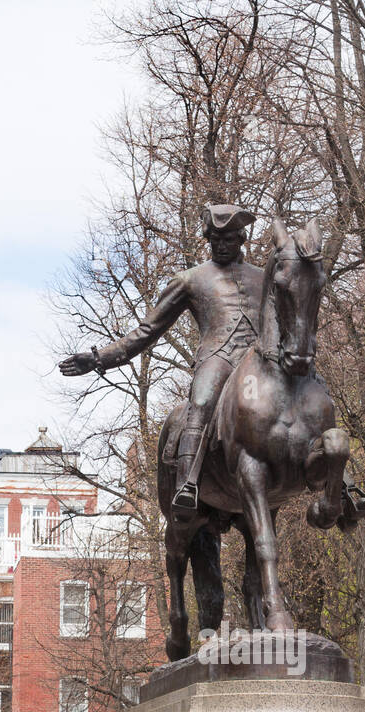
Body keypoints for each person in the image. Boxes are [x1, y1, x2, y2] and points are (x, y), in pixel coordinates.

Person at [60, 204, 263, 519]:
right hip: (218, 357)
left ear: (241, 239)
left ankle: (340, 483)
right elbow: (147, 331)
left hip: (259, 361)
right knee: (202, 400)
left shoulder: (264, 278)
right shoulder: (190, 280)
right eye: (216, 240)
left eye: (230, 240)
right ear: (208, 240)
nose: (222, 246)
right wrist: (100, 358)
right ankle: (187, 483)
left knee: (304, 390)